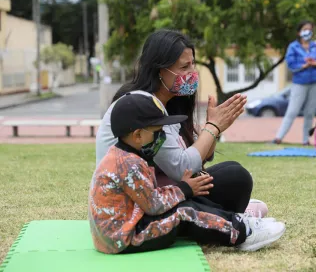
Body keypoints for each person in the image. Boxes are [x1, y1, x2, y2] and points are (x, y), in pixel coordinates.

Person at [95, 29, 266, 217]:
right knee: (235, 178)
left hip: (161, 194)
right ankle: (222, 216)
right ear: (159, 70)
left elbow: (199, 159)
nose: (192, 73)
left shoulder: (170, 102)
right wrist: (213, 127)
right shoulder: (142, 105)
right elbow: (182, 167)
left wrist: (213, 128)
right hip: (138, 205)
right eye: (184, 67)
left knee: (231, 171)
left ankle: (218, 214)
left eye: (193, 64)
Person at [89, 94, 285, 254]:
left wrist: (182, 189)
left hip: (119, 233)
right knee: (184, 211)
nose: (162, 136)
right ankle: (242, 233)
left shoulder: (123, 155)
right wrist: (184, 189)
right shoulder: (128, 164)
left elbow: (149, 198)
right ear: (138, 135)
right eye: (157, 131)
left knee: (182, 202)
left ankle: (236, 220)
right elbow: (154, 205)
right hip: (125, 238)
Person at [273, 20, 316, 146]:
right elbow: (291, 64)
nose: (308, 31)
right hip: (300, 83)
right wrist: (304, 65)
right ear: (299, 32)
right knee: (292, 111)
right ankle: (278, 137)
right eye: (305, 29)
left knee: (310, 113)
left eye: (310, 29)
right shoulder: (293, 47)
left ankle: (305, 140)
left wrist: (315, 63)